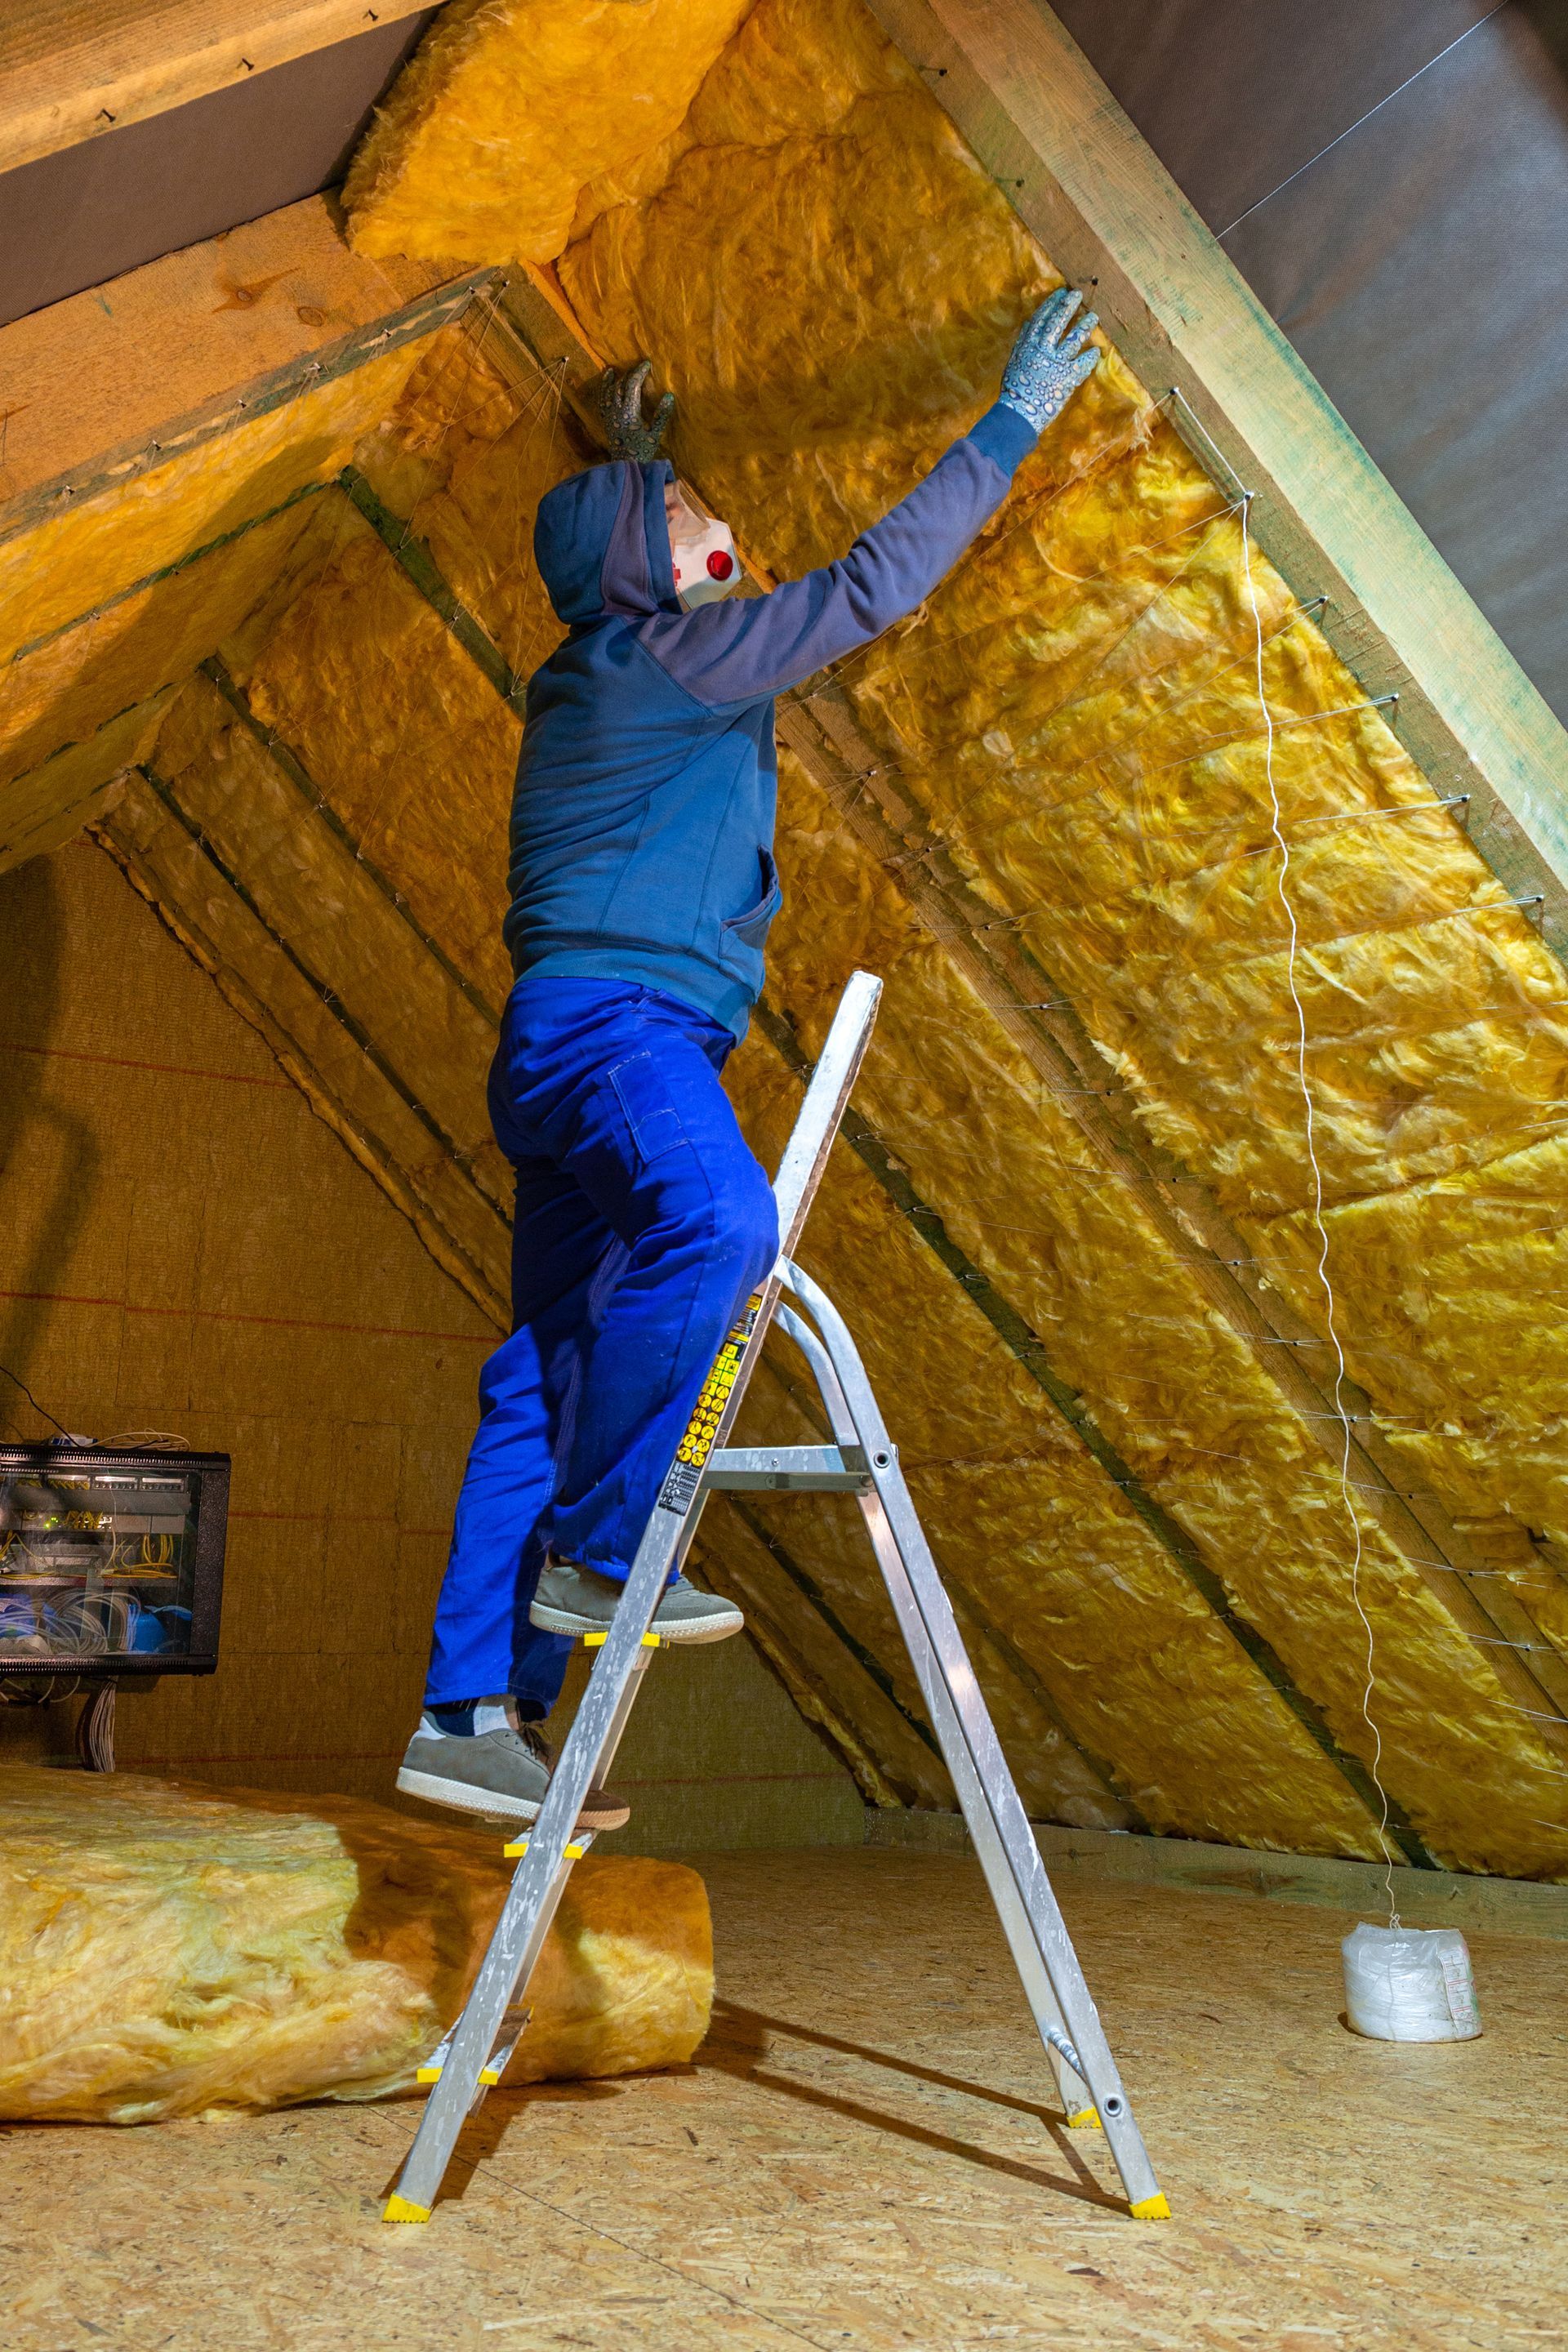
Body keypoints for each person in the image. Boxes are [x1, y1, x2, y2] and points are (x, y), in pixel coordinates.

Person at [396, 289, 1102, 1824]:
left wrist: (646, 460)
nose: (733, 537)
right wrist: (1010, 425)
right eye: (702, 522)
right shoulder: (677, 659)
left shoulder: (604, 672)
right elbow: (860, 590)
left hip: (553, 1046)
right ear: (656, 566)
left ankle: (468, 1710)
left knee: (540, 1375)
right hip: (621, 1030)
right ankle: (604, 1550)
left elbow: (659, 551)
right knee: (720, 1225)